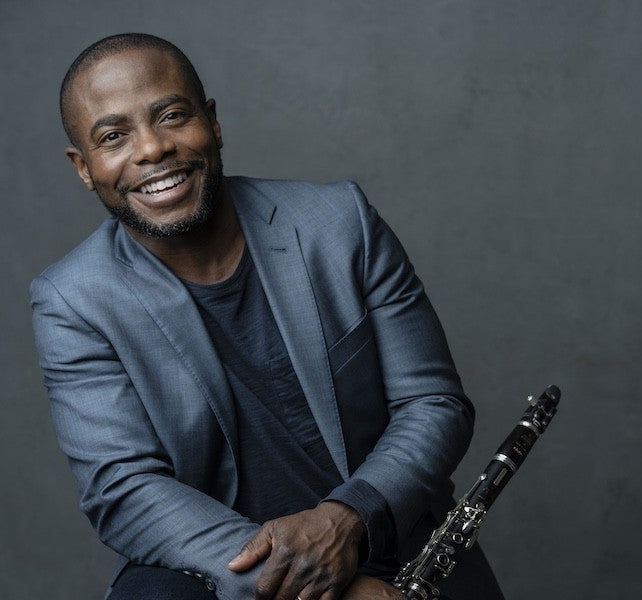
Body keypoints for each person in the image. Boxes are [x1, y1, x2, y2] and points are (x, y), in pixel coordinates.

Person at [31, 33, 504, 600]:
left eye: (172, 116)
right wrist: (317, 586)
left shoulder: (339, 223)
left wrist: (343, 521)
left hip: (390, 537)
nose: (152, 149)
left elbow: (433, 404)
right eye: (114, 136)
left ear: (213, 122)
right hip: (217, 569)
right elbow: (124, 489)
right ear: (84, 168)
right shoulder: (73, 299)